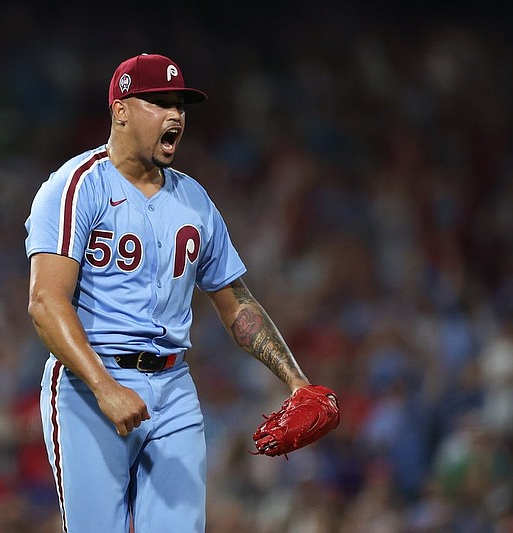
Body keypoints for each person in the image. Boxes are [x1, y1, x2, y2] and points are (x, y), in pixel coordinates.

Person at [25, 53, 336, 533]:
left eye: (180, 105)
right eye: (159, 102)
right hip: (88, 386)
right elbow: (46, 302)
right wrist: (105, 388)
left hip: (173, 390)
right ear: (121, 110)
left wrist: (296, 382)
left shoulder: (194, 200)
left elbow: (237, 306)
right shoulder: (75, 187)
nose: (175, 115)